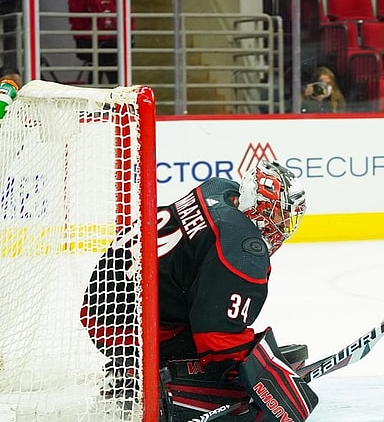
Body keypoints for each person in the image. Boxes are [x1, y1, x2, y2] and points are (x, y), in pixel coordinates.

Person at [79, 160, 319, 421]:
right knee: (223, 354)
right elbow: (216, 335)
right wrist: (242, 371)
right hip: (126, 328)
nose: (283, 225)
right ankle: (144, 377)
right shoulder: (241, 249)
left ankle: (136, 366)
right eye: (277, 214)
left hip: (106, 299)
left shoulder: (219, 190)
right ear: (256, 207)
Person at [68, 0, 134, 85]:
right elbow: (76, 14)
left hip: (111, 38)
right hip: (94, 39)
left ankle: (113, 97)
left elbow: (126, 9)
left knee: (111, 73)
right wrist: (81, 37)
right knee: (102, 72)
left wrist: (130, 31)